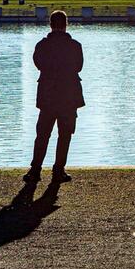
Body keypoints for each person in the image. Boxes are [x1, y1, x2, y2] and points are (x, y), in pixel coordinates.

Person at [23, 10, 85, 183]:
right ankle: (58, 171)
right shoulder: (75, 46)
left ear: (50, 25)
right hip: (68, 96)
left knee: (42, 134)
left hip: (48, 96)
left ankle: (35, 170)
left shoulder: (42, 46)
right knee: (64, 135)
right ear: (66, 25)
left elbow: (38, 64)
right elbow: (79, 67)